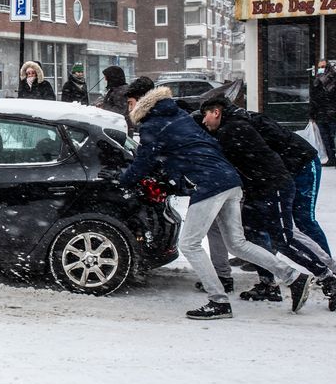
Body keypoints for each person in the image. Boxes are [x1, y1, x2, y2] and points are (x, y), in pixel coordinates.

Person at [108, 85, 313, 320]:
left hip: (209, 184)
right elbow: (197, 148)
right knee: (237, 244)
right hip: (230, 180)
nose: (128, 108)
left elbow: (143, 163)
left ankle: (219, 301)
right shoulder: (180, 116)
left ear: (142, 105)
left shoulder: (153, 125)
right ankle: (294, 278)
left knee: (190, 244)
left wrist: (121, 181)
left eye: (130, 104)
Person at [200, 97, 336, 311]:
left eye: (206, 115)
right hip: (263, 186)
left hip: (288, 175)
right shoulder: (234, 124)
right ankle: (269, 283)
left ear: (216, 112)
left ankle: (332, 274)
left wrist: (273, 181)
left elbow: (262, 157)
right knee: (253, 233)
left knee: (294, 230)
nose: (205, 122)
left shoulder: (235, 128)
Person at [310, 60, 336, 168]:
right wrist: (312, 115)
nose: (321, 68)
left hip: (334, 113)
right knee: (325, 138)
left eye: (323, 66)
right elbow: (313, 99)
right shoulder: (316, 81)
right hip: (320, 114)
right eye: (320, 67)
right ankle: (331, 158)